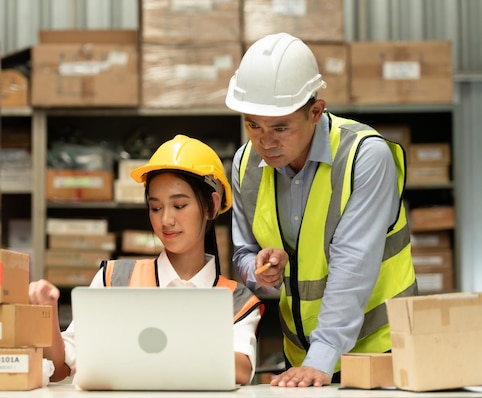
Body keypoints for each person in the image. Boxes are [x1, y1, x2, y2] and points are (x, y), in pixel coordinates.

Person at [225, 33, 418, 387]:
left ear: (316, 111)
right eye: (253, 125)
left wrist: (323, 355)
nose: (265, 142)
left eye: (280, 127)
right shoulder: (244, 165)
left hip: (383, 352)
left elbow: (352, 265)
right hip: (303, 360)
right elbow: (243, 254)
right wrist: (258, 271)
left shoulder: (364, 157)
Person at [29, 134, 265, 386]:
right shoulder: (114, 279)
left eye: (179, 206)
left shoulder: (236, 300)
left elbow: (240, 369)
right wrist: (46, 312)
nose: (165, 220)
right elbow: (59, 368)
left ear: (211, 206)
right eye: (155, 208)